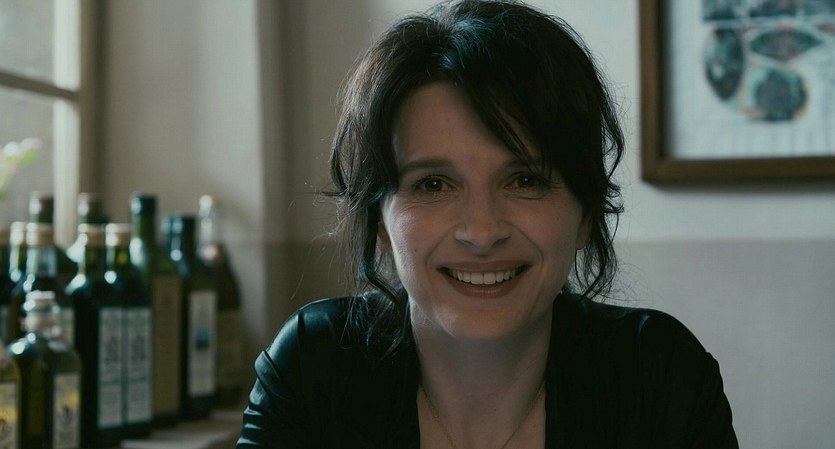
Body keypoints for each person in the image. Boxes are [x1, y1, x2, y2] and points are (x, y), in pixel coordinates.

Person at [237, 0, 738, 447]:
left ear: (585, 214)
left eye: (525, 180)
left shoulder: (661, 378)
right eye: (433, 184)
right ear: (381, 222)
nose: (481, 232)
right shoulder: (314, 368)